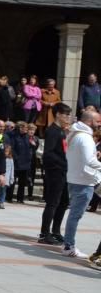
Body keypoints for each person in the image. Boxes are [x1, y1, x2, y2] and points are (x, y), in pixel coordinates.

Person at [61, 107, 101, 259]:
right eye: (97, 121)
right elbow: (89, 161)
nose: (99, 124)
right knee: (75, 215)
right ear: (90, 121)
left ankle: (68, 244)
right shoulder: (85, 137)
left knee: (74, 214)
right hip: (83, 181)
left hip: (78, 178)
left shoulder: (76, 133)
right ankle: (68, 246)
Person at [39, 103, 73, 245]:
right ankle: (44, 233)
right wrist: (63, 163)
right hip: (56, 172)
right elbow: (48, 154)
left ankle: (56, 231)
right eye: (66, 114)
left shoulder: (61, 131)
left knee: (64, 201)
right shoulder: (53, 131)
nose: (68, 117)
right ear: (58, 114)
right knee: (52, 202)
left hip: (64, 172)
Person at [11, 121, 34, 204]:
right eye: (24, 128)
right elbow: (12, 148)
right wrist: (16, 158)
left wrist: (33, 145)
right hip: (17, 162)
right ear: (20, 128)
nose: (26, 129)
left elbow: (32, 147)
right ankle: (9, 196)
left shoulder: (27, 137)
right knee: (13, 181)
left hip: (26, 163)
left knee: (22, 182)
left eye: (26, 128)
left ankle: (20, 198)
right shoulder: (14, 136)